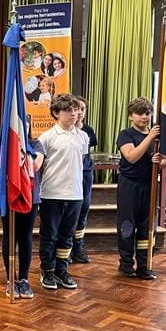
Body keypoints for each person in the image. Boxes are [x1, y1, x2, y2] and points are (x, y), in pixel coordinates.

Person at [0, 116, 45, 299]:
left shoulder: (35, 145)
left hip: (30, 197)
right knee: (9, 236)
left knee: (25, 236)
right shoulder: (1, 147)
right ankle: (10, 280)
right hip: (9, 197)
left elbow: (36, 166)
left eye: (25, 125)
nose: (22, 128)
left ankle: (24, 279)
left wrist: (21, 153)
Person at [116, 97, 166, 279]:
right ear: (131, 116)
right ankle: (126, 263)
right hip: (129, 184)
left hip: (150, 184)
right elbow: (131, 156)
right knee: (127, 224)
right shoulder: (126, 134)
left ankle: (145, 264)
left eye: (147, 113)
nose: (144, 117)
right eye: (139, 113)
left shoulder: (157, 135)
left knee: (147, 226)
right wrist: (150, 137)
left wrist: (160, 161)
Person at [37, 94, 85, 291]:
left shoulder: (82, 137)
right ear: (56, 113)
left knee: (67, 235)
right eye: (67, 110)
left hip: (75, 194)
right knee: (50, 235)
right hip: (52, 194)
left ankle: (61, 269)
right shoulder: (47, 137)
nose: (73, 114)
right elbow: (40, 166)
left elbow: (80, 162)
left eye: (75, 110)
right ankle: (47, 270)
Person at [72, 95, 97, 264]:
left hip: (86, 172)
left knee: (84, 208)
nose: (80, 112)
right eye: (76, 109)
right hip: (70, 173)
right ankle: (65, 247)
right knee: (70, 210)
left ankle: (78, 246)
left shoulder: (88, 131)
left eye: (83, 109)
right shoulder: (65, 130)